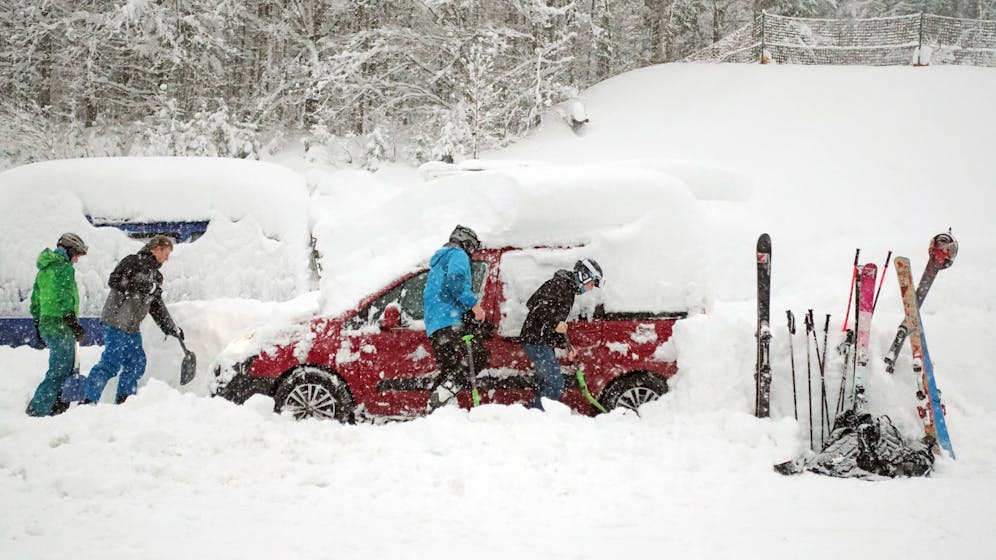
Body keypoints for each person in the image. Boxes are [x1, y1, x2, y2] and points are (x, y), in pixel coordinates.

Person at [83, 235, 184, 404]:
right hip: (116, 321)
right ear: (157, 249)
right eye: (166, 253)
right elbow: (114, 280)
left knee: (137, 363)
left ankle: (125, 400)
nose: (167, 259)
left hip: (132, 328)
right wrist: (140, 285)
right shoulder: (132, 262)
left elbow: (156, 306)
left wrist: (171, 329)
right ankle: (89, 400)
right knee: (111, 363)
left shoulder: (157, 277)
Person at [519, 258, 603, 410]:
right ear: (584, 276)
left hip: (543, 340)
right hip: (536, 340)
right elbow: (534, 304)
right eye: (592, 283)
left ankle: (537, 414)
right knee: (555, 382)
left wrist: (566, 346)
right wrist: (554, 323)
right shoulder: (558, 285)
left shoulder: (568, 290)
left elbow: (556, 324)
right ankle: (535, 417)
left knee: (548, 382)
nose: (591, 288)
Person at [25, 233, 89, 417]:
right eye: (76, 254)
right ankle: (37, 409)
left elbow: (36, 299)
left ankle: (58, 405)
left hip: (48, 322)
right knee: (60, 369)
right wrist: (72, 322)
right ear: (68, 250)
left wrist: (38, 322)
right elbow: (63, 297)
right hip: (61, 324)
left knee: (66, 366)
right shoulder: (63, 268)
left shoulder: (44, 268)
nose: (76, 260)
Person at [423, 225, 485, 410]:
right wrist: (474, 306)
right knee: (478, 356)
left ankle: (438, 408)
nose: (472, 253)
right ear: (465, 243)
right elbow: (456, 282)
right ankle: (444, 393)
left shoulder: (438, 262)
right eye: (472, 247)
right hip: (449, 320)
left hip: (436, 325)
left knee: (450, 369)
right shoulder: (458, 255)